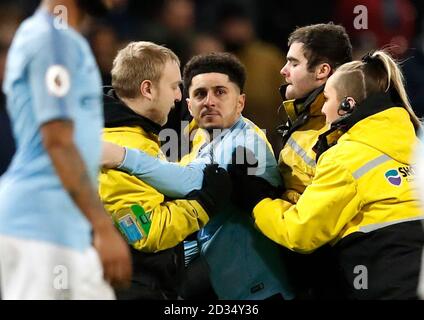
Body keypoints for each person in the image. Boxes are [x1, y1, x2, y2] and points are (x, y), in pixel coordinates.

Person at [231, 50, 424, 299]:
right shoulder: (415, 144)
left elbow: (300, 232)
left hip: (389, 288)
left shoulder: (346, 156)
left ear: (347, 105)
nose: (323, 111)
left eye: (327, 100)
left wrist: (256, 201)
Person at [102, 52, 295, 300]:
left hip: (263, 290)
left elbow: (191, 182)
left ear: (240, 102)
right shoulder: (207, 138)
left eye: (221, 92)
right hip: (232, 287)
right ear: (189, 104)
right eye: (200, 94)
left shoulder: (246, 145)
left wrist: (124, 157)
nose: (210, 101)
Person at [0, 0, 132, 300]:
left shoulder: (63, 39)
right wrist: (104, 228)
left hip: (62, 231)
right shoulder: (52, 39)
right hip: (38, 231)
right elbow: (58, 141)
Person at [99, 41, 231, 300]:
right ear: (147, 89)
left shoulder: (133, 134)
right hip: (132, 288)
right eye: (174, 87)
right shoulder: (118, 148)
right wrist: (203, 204)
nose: (179, 97)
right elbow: (146, 231)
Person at [268, 23, 353, 299]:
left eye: (293, 62)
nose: (284, 70)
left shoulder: (335, 131)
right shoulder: (305, 120)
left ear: (322, 71)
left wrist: (259, 200)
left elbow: (316, 218)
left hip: (332, 268)